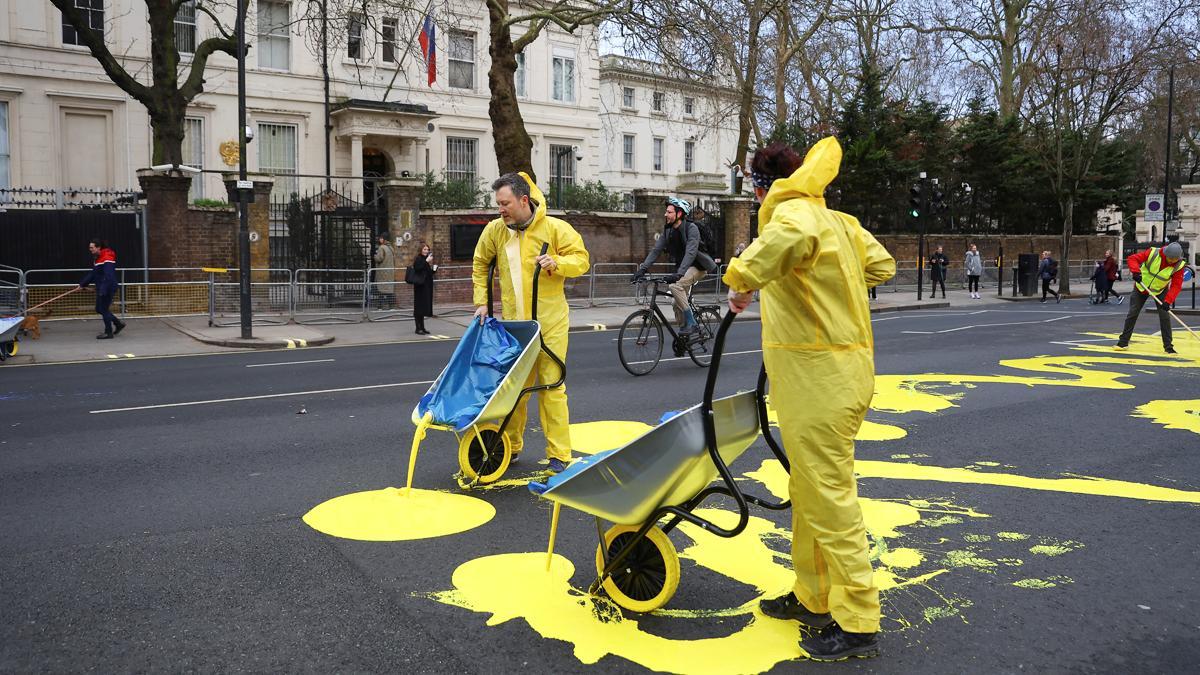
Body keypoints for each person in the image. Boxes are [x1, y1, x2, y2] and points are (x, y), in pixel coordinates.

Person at [725, 138, 895, 662]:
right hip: (837, 375)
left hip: (817, 381)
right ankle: (814, 595)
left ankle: (860, 621)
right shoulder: (841, 223)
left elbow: (770, 253)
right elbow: (882, 266)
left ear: (763, 188)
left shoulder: (793, 219)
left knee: (828, 496)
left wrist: (738, 279)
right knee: (810, 491)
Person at [471, 173, 590, 474]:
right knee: (513, 390)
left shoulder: (554, 229)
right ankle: (510, 446)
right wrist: (481, 301)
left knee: (551, 389)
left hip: (550, 324)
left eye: (505, 203)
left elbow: (582, 259)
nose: (500, 209)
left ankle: (559, 454)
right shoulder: (495, 231)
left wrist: (558, 264)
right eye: (498, 203)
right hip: (514, 328)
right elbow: (480, 262)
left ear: (523, 200)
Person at [634, 197, 718, 333]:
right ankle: (684, 333)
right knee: (675, 302)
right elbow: (656, 250)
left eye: (669, 212)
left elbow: (691, 253)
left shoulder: (692, 229)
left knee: (675, 286)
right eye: (666, 212)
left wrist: (679, 274)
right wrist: (642, 270)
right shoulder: (668, 231)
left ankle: (692, 323)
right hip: (683, 268)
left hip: (698, 267)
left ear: (679, 214)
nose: (665, 214)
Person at [1115, 242, 1187, 354]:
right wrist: (1135, 272)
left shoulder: (1179, 265)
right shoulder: (1153, 253)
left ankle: (1168, 347)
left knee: (1165, 317)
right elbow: (1132, 259)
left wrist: (1168, 301)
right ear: (1165, 254)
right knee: (1133, 313)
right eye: (1170, 258)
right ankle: (1123, 342)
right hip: (1141, 286)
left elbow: (1176, 285)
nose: (1172, 261)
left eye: (1175, 259)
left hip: (1160, 290)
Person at [78, 238, 126, 340]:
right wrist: (82, 284)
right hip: (102, 287)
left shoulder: (107, 257)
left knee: (103, 309)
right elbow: (93, 274)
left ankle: (108, 333)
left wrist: (103, 289)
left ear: (98, 247)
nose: (90, 249)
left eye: (92, 247)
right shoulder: (97, 258)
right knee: (99, 309)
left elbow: (109, 276)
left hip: (108, 287)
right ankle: (118, 323)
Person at [411, 242, 437, 335]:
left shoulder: (425, 260)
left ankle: (422, 327)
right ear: (421, 250)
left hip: (426, 286)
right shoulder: (419, 259)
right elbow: (417, 268)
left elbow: (427, 273)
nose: (426, 251)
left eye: (427, 249)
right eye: (425, 249)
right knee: (418, 307)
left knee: (423, 307)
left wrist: (433, 270)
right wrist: (426, 261)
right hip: (420, 287)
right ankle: (418, 328)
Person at [372, 235, 398, 309]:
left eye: (381, 238)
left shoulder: (382, 247)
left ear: (384, 239)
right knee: (389, 290)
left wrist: (374, 256)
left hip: (383, 272)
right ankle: (391, 306)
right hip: (390, 272)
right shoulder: (391, 248)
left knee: (381, 290)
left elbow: (379, 258)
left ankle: (381, 307)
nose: (379, 239)